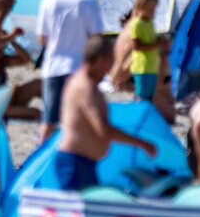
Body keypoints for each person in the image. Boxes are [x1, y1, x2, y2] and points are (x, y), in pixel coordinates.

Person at [54, 35, 156, 191]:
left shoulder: (88, 84)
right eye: (110, 59)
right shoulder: (84, 87)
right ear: (100, 59)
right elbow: (103, 129)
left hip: (85, 163)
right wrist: (142, 143)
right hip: (74, 163)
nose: (111, 65)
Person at [37, 0, 105, 142]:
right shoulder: (88, 3)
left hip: (53, 65)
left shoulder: (49, 1)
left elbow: (42, 39)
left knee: (49, 121)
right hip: (78, 67)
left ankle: (40, 161)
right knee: (79, 118)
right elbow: (97, 38)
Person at [125, 0, 168, 102]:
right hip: (141, 67)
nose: (153, 12)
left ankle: (146, 117)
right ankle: (137, 116)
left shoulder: (150, 23)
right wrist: (157, 44)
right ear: (140, 7)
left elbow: (151, 40)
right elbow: (137, 46)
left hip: (152, 66)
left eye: (154, 9)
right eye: (150, 9)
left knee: (149, 96)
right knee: (141, 96)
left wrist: (160, 41)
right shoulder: (136, 24)